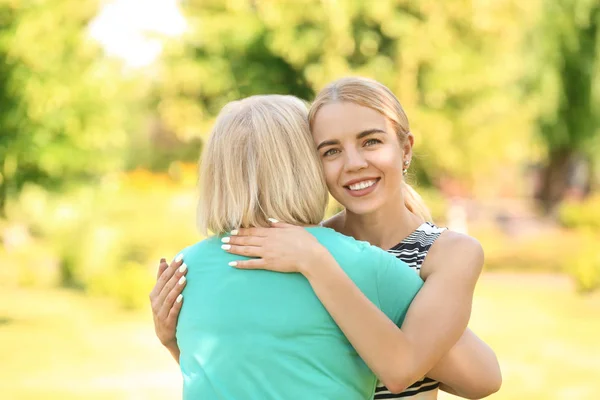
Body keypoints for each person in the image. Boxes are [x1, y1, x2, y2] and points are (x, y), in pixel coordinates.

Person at [151, 78, 502, 399]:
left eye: (371, 141)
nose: (353, 163)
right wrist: (175, 339)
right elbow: (253, 364)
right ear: (308, 163)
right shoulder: (298, 246)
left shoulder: (446, 253)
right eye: (330, 151)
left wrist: (318, 263)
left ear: (405, 149)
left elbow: (476, 380)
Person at [168, 94, 426, 399]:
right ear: (307, 164)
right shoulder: (363, 263)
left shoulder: (184, 270)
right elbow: (481, 377)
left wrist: (170, 339)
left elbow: (225, 374)